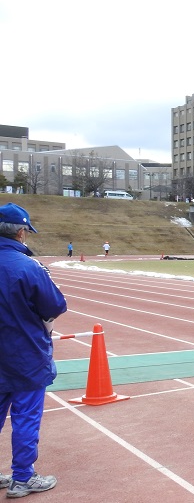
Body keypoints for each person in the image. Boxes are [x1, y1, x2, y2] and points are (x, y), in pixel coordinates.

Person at [0, 203, 67, 498]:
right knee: (26, 416)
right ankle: (23, 477)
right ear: (21, 232)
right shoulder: (28, 267)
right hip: (24, 354)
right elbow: (55, 306)